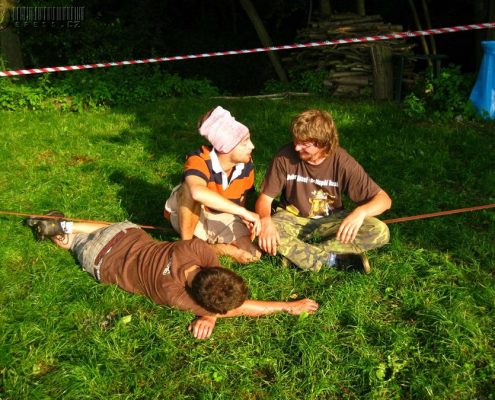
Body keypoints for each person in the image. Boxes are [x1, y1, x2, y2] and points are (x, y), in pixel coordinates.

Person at [25, 211, 319, 340]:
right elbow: (238, 309)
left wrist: (231, 251)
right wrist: (287, 306)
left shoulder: (195, 248)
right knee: (74, 245)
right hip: (100, 261)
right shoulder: (172, 293)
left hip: (123, 233)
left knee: (114, 229)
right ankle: (64, 236)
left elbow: (214, 255)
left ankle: (68, 225)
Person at [255, 109, 392, 273]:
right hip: (291, 219)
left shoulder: (342, 161)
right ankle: (332, 260)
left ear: (323, 143)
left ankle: (298, 256)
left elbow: (384, 200)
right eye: (296, 141)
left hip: (330, 220)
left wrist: (360, 212)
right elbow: (265, 199)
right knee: (264, 229)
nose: (297, 147)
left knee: (379, 230)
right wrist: (265, 220)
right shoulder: (284, 157)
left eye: (304, 144)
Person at [164, 106, 261, 264]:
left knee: (253, 254)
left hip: (222, 215)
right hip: (190, 213)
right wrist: (243, 212)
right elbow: (197, 192)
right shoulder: (199, 159)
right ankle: (187, 245)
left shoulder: (246, 164)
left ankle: (211, 247)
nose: (252, 146)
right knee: (188, 189)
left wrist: (243, 218)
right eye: (245, 142)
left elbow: (243, 196)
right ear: (226, 148)